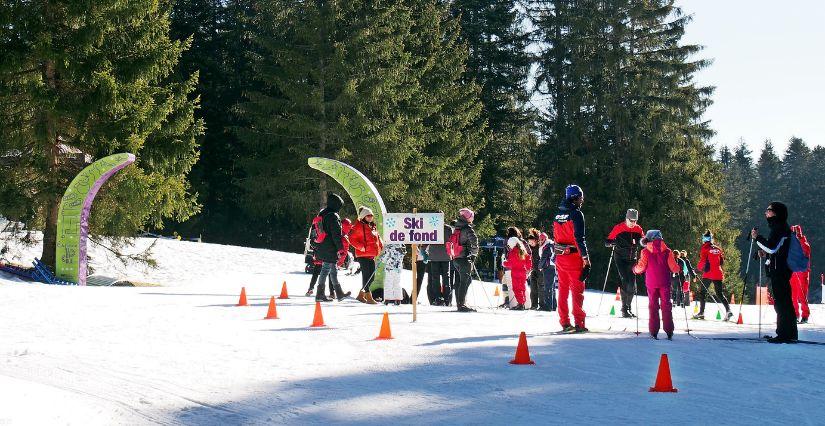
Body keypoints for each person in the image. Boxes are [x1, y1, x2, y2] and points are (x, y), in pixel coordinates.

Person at [752, 202, 798, 343]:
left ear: (776, 213)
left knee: (782, 303)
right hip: (780, 268)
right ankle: (789, 333)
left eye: (769, 210)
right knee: (784, 302)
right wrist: (763, 252)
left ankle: (784, 334)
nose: (766, 212)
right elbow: (777, 250)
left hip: (780, 270)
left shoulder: (779, 227)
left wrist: (757, 238)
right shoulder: (779, 227)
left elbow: (772, 247)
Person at [553, 184, 590, 332]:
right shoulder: (576, 214)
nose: (582, 199)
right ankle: (579, 323)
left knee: (562, 290)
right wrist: (586, 258)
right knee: (577, 291)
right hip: (574, 258)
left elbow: (556, 237)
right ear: (575, 198)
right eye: (581, 196)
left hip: (560, 258)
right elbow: (580, 239)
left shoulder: (557, 215)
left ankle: (564, 322)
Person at [633, 230, 680, 340]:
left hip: (651, 282)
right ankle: (669, 331)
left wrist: (635, 269)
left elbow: (641, 267)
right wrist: (679, 269)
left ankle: (653, 331)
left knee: (653, 306)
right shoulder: (668, 251)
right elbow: (674, 268)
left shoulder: (645, 251)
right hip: (665, 282)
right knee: (666, 305)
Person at [605, 209, 644, 318]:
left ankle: (628, 307)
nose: (633, 223)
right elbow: (607, 242)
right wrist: (612, 242)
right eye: (631, 220)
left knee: (632, 284)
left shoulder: (638, 228)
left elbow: (642, 240)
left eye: (635, 221)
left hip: (632, 259)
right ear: (626, 218)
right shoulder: (619, 227)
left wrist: (645, 242)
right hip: (620, 258)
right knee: (625, 280)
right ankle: (624, 309)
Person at [313, 193, 352, 302]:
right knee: (326, 270)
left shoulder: (323, 213)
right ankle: (320, 295)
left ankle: (338, 294)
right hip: (330, 247)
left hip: (322, 245)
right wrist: (340, 248)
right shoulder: (333, 216)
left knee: (332, 270)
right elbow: (336, 235)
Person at [694, 231, 732, 321]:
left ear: (705, 239)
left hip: (708, 273)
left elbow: (702, 261)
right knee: (720, 293)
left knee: (702, 292)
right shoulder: (718, 249)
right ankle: (728, 311)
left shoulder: (705, 248)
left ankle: (701, 313)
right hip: (718, 273)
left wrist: (696, 269)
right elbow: (722, 261)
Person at [349, 206, 383, 304]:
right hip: (362, 255)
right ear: (363, 216)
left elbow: (377, 237)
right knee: (366, 275)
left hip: (371, 255)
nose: (370, 217)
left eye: (371, 215)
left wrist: (380, 245)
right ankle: (369, 297)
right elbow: (351, 239)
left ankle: (361, 295)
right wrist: (361, 247)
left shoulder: (372, 226)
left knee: (371, 276)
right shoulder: (358, 226)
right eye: (368, 216)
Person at [452, 208, 479, 312]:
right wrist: (473, 255)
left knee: (460, 281)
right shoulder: (468, 229)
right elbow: (474, 242)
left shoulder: (457, 228)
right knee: (465, 281)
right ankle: (461, 304)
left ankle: (460, 303)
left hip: (456, 257)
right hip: (464, 258)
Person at [426, 222, 453, 306]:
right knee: (446, 277)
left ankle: (437, 298)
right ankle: (447, 299)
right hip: (446, 256)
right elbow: (452, 240)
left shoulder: (431, 227)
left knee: (435, 278)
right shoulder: (448, 228)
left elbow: (426, 239)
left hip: (434, 256)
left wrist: (423, 249)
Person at [503, 235, 532, 310]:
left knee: (516, 289)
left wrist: (504, 263)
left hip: (515, 272)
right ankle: (522, 303)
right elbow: (528, 259)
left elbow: (510, 263)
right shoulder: (523, 250)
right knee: (522, 288)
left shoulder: (512, 252)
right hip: (523, 272)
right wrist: (528, 269)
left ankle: (520, 304)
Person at [790, 225, 812, 323]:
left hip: (802, 272)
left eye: (796, 234)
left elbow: (805, 254)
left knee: (802, 295)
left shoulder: (804, 244)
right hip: (793, 272)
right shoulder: (791, 244)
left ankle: (805, 315)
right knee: (792, 295)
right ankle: (794, 314)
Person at [526, 229, 545, 310]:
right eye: (529, 242)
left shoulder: (540, 247)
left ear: (536, 241)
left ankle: (542, 304)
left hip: (540, 270)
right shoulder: (529, 249)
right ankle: (534, 305)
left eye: (532, 242)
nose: (530, 244)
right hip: (533, 270)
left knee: (541, 287)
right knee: (533, 288)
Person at [539, 232, 557, 311]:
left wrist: (540, 266)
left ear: (545, 238)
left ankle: (548, 306)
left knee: (548, 287)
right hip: (553, 266)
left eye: (542, 239)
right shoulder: (551, 244)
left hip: (548, 266)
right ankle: (553, 305)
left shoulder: (547, 246)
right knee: (551, 287)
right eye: (540, 239)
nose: (540, 241)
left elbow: (544, 257)